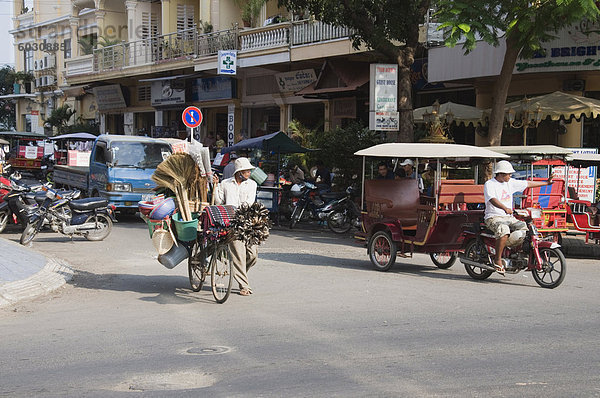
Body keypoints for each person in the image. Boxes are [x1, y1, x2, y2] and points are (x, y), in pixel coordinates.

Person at [484, 160, 553, 275]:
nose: (510, 176)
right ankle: (497, 259)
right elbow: (492, 199)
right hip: (493, 217)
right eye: (508, 174)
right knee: (504, 230)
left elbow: (527, 184)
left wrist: (546, 183)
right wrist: (505, 208)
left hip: (508, 217)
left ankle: (509, 249)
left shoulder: (510, 182)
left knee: (524, 228)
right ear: (500, 173)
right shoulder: (490, 184)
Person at [213, 157, 258, 296]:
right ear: (239, 172)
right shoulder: (225, 184)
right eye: (246, 171)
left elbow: (250, 203)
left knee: (253, 255)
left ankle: (238, 270)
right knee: (239, 253)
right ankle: (244, 285)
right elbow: (219, 202)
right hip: (230, 223)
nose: (249, 173)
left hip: (247, 222)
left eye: (249, 171)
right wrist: (215, 187)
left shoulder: (252, 185)